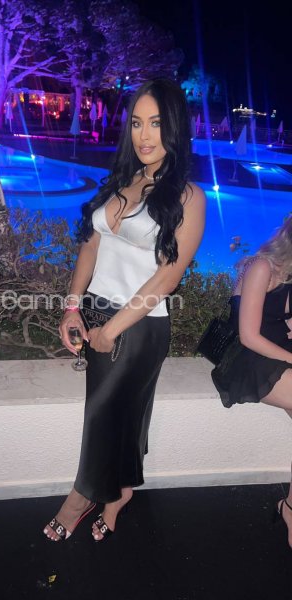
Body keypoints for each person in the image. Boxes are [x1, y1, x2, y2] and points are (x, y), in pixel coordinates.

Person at [43, 79, 206, 542]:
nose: (144, 135)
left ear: (174, 128)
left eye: (156, 123)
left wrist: (112, 329)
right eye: (137, 123)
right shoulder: (123, 181)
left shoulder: (188, 197)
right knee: (120, 412)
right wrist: (72, 308)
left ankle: (80, 499)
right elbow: (90, 247)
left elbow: (166, 279)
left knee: (101, 413)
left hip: (139, 325)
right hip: (96, 313)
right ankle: (120, 491)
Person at [211, 216, 292, 547]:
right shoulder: (262, 267)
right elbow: (248, 336)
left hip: (279, 354)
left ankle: (289, 508)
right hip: (248, 358)